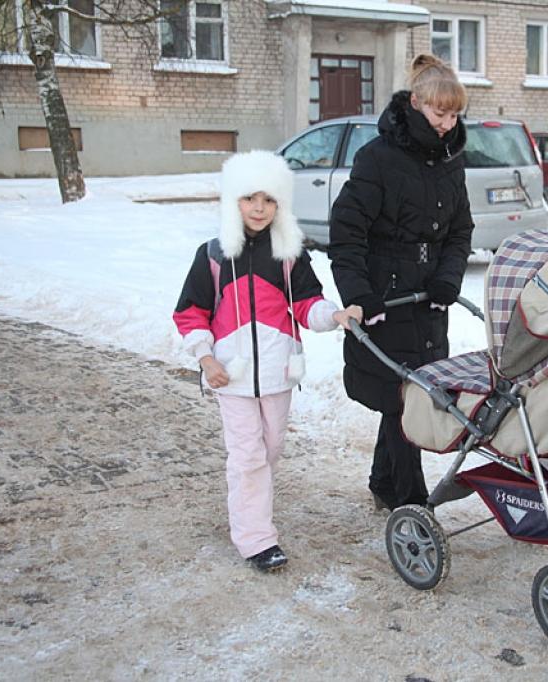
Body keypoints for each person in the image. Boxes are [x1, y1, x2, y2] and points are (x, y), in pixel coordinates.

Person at [173, 150, 362, 572]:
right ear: (232, 201)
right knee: (248, 457)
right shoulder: (213, 255)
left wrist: (333, 315)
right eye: (249, 198)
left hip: (278, 374)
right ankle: (256, 539)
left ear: (280, 204)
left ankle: (247, 511)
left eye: (269, 199)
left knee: (270, 450)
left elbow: (307, 304)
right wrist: (206, 359)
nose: (259, 208)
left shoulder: (289, 255)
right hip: (231, 377)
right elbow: (190, 312)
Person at [328, 54, 474, 512]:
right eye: (439, 114)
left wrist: (448, 278)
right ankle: (411, 504)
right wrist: (360, 296)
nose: (448, 124)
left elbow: (459, 229)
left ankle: (382, 483)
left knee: (411, 395)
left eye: (454, 115)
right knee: (405, 399)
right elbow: (347, 232)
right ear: (416, 103)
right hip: (385, 299)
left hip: (429, 300)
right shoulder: (378, 159)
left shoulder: (451, 159)